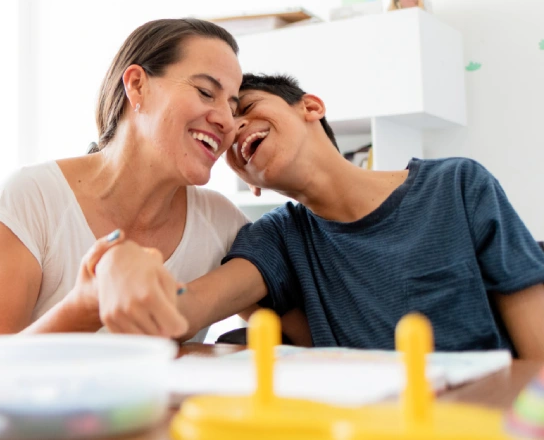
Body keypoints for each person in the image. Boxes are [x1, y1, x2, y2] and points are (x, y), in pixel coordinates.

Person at [93, 73, 544, 358]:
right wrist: (117, 264)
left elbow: (538, 353)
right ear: (251, 181)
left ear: (311, 107)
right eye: (229, 139)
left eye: (246, 109)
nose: (238, 130)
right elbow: (188, 306)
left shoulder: (457, 186)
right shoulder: (279, 238)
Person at [0, 18, 251, 340]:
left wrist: (286, 173)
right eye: (205, 92)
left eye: (233, 106)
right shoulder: (30, 198)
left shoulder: (222, 224)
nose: (227, 121)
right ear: (137, 85)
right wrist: (85, 306)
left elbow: (299, 328)